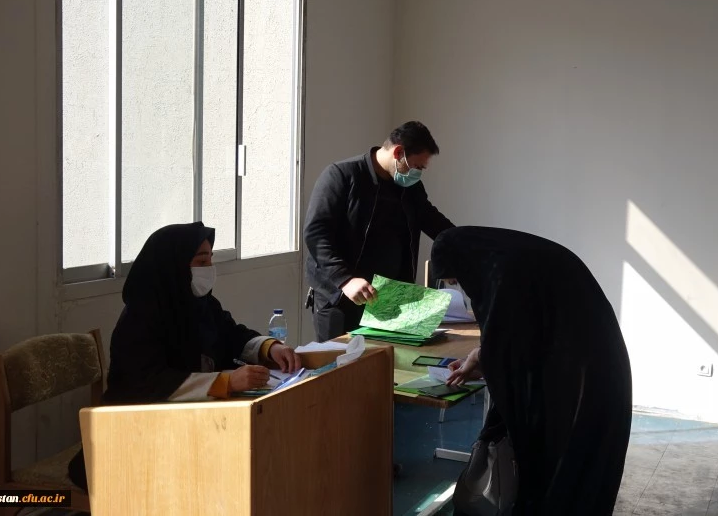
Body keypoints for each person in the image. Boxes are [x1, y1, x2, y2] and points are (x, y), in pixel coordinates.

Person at [66, 222, 303, 489]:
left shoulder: (199, 303)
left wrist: (270, 348)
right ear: (174, 264)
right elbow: (151, 382)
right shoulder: (140, 317)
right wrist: (226, 382)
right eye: (201, 262)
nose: (209, 269)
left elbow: (231, 333)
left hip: (186, 420)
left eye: (210, 260)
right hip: (134, 429)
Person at [431, 226, 632, 514]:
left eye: (457, 279)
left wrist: (487, 359)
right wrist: (483, 358)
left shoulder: (506, 273)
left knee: (560, 476)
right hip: (596, 368)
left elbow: (512, 344)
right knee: (578, 477)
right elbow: (525, 336)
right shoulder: (518, 258)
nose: (461, 287)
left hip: (578, 382)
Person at [303, 121, 454, 341]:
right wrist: (345, 280)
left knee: (390, 360)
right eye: (417, 167)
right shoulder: (342, 175)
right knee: (340, 361)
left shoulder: (410, 187)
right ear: (398, 153)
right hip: (341, 297)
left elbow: (432, 221)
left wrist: (459, 251)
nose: (418, 174)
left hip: (389, 299)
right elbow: (316, 233)